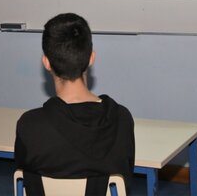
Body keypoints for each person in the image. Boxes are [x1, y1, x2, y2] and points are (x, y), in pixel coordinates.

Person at [14, 13, 135, 195]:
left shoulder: (29, 125)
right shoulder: (122, 119)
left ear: (46, 62)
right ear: (91, 58)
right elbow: (127, 178)